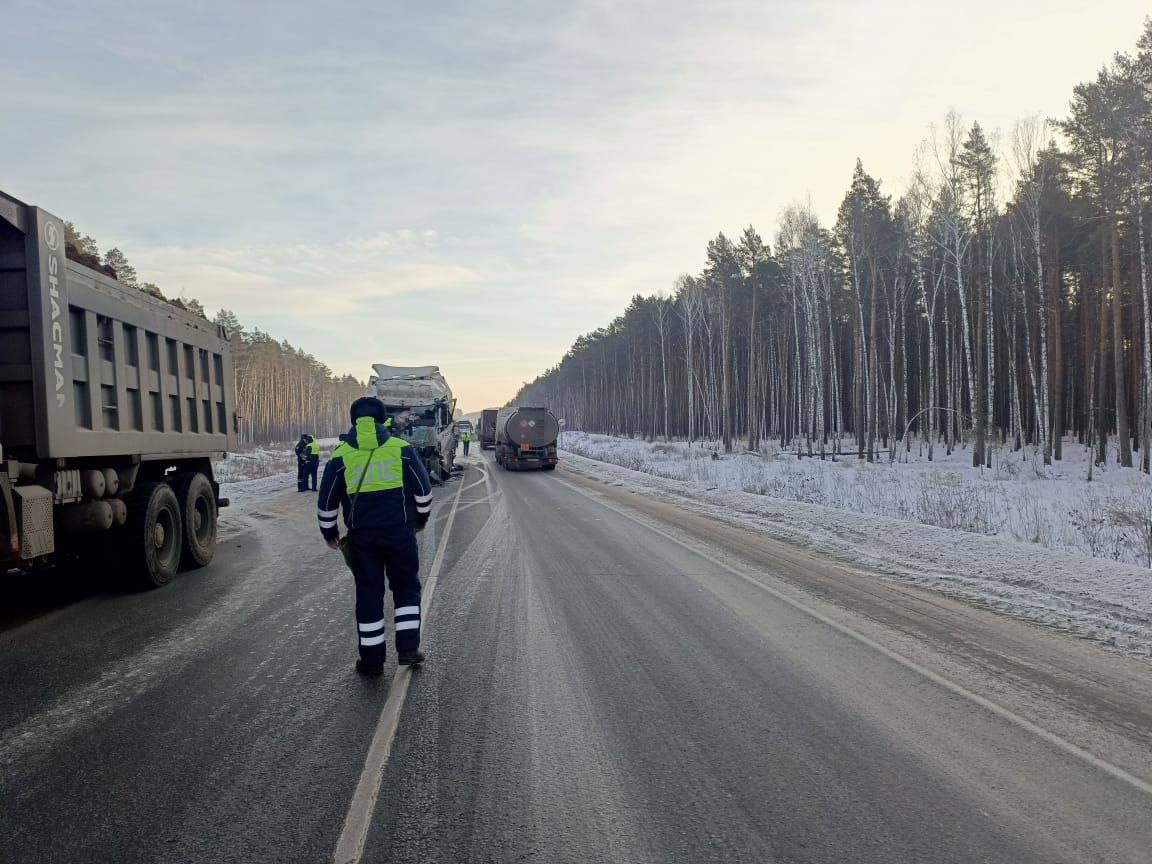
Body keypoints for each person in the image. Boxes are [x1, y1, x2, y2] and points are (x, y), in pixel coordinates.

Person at [317, 397, 433, 676]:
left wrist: (330, 533)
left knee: (368, 595)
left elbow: (326, 503)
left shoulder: (340, 456)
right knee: (406, 588)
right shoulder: (402, 450)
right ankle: (407, 651)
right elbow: (424, 492)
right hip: (400, 536)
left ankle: (371, 662)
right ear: (383, 420)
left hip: (362, 541)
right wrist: (420, 520)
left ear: (354, 421)